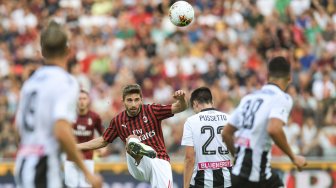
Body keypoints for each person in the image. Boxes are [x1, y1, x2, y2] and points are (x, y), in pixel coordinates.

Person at [14, 21, 102, 188]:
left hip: (23, 164)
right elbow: (61, 130)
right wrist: (88, 173)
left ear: (42, 52)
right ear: (68, 51)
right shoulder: (66, 82)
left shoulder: (31, 82)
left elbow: (17, 130)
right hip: (43, 167)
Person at [77, 84, 188, 187]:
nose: (133, 104)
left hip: (159, 160)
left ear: (141, 100)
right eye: (129, 100)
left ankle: (141, 149)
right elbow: (102, 140)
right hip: (137, 164)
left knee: (134, 141)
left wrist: (181, 98)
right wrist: (77, 147)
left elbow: (181, 107)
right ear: (123, 101)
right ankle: (138, 151)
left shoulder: (151, 110)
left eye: (136, 100)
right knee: (132, 139)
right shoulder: (118, 120)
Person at [222, 56, 307, 188]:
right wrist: (293, 157)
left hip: (244, 172)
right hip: (255, 175)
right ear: (289, 78)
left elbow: (226, 133)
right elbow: (274, 129)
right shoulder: (282, 98)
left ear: (267, 76)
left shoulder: (248, 98)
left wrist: (238, 157)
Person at [181, 87, 232, 188]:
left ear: (195, 103)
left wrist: (186, 186)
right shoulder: (229, 118)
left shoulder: (191, 121)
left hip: (202, 181)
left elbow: (189, 158)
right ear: (212, 102)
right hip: (227, 181)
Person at [64, 90, 104, 188]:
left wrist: (103, 147)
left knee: (86, 185)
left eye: (84, 99)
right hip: (71, 157)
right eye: (79, 99)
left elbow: (104, 134)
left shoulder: (95, 117)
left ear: (88, 100)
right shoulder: (68, 115)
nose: (82, 101)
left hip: (87, 158)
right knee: (70, 186)